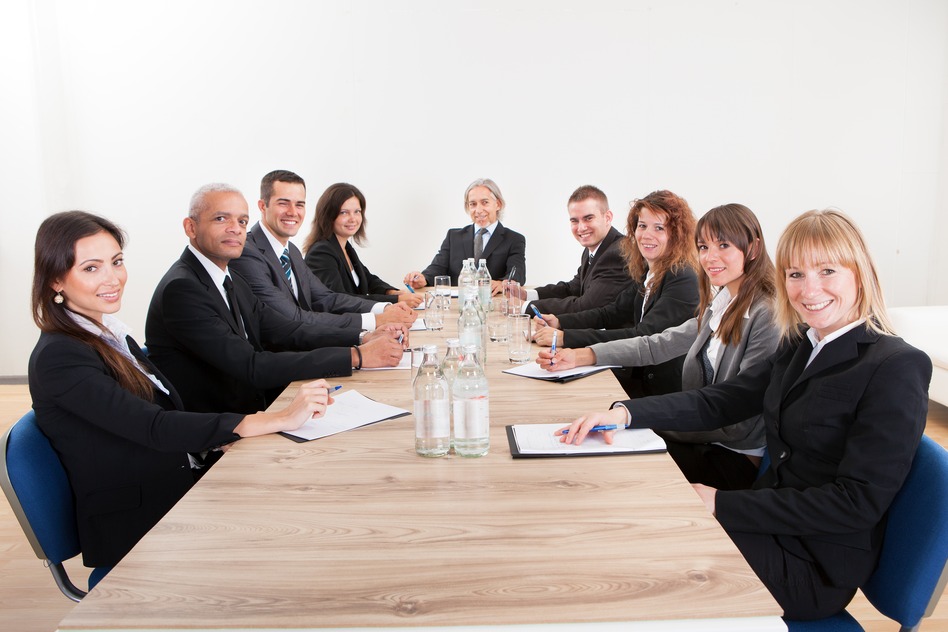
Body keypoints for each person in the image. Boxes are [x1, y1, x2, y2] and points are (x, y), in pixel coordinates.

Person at [559, 209, 932, 620]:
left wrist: (721, 503)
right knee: (631, 519)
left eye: (827, 271)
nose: (809, 290)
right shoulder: (801, 342)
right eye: (795, 274)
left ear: (859, 273)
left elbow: (856, 503)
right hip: (766, 520)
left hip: (812, 565)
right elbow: (721, 400)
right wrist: (626, 414)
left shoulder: (895, 366)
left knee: (644, 553)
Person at [29, 210, 336, 569]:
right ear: (55, 280)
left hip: (174, 478)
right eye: (91, 268)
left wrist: (214, 440)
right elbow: (153, 426)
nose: (112, 278)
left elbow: (156, 414)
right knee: (298, 533)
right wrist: (275, 419)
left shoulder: (108, 333)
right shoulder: (60, 356)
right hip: (141, 522)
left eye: (116, 262)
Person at [539, 204, 779, 490]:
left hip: (730, 458)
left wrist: (644, 421)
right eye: (704, 247)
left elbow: (736, 417)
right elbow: (657, 344)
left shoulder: (766, 314)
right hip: (699, 439)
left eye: (723, 245)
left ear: (753, 248)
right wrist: (584, 355)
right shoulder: (723, 302)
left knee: (610, 459)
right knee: (600, 441)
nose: (709, 257)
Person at [145, 183, 405, 415]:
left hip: (256, 406)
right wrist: (356, 356)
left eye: (242, 221)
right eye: (221, 218)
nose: (235, 229)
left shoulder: (229, 277)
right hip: (222, 426)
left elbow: (286, 329)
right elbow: (251, 366)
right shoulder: (182, 288)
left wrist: (362, 337)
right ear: (191, 227)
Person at [534, 189, 700, 398]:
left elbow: (643, 335)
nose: (646, 235)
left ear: (676, 234)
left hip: (660, 390)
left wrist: (567, 337)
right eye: (642, 226)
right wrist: (560, 322)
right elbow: (610, 313)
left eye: (659, 228)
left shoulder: (682, 277)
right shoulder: (650, 272)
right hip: (636, 376)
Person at [229, 170, 416, 333]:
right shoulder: (246, 252)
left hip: (311, 341)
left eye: (299, 204)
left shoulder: (291, 251)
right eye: (283, 203)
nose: (293, 212)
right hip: (282, 354)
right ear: (263, 206)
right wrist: (374, 321)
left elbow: (326, 298)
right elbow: (292, 318)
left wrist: (384, 308)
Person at [510, 185, 633, 314]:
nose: (581, 228)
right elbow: (573, 288)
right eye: (574, 221)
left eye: (588, 218)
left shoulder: (618, 253)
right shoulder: (595, 248)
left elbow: (585, 306)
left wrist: (525, 306)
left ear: (607, 217)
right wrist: (526, 295)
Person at [302, 182, 422, 307]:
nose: (353, 219)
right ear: (328, 216)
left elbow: (368, 279)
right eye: (344, 212)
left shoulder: (345, 247)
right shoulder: (321, 253)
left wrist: (392, 292)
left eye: (357, 211)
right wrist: (395, 299)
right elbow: (339, 299)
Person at [403, 178, 526, 292]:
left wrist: (503, 283)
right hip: (458, 303)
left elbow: (517, 274)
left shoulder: (514, 239)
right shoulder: (453, 237)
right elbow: (437, 267)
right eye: (473, 204)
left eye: (485, 202)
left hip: (493, 302)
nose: (478, 210)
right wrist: (423, 278)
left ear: (498, 204)